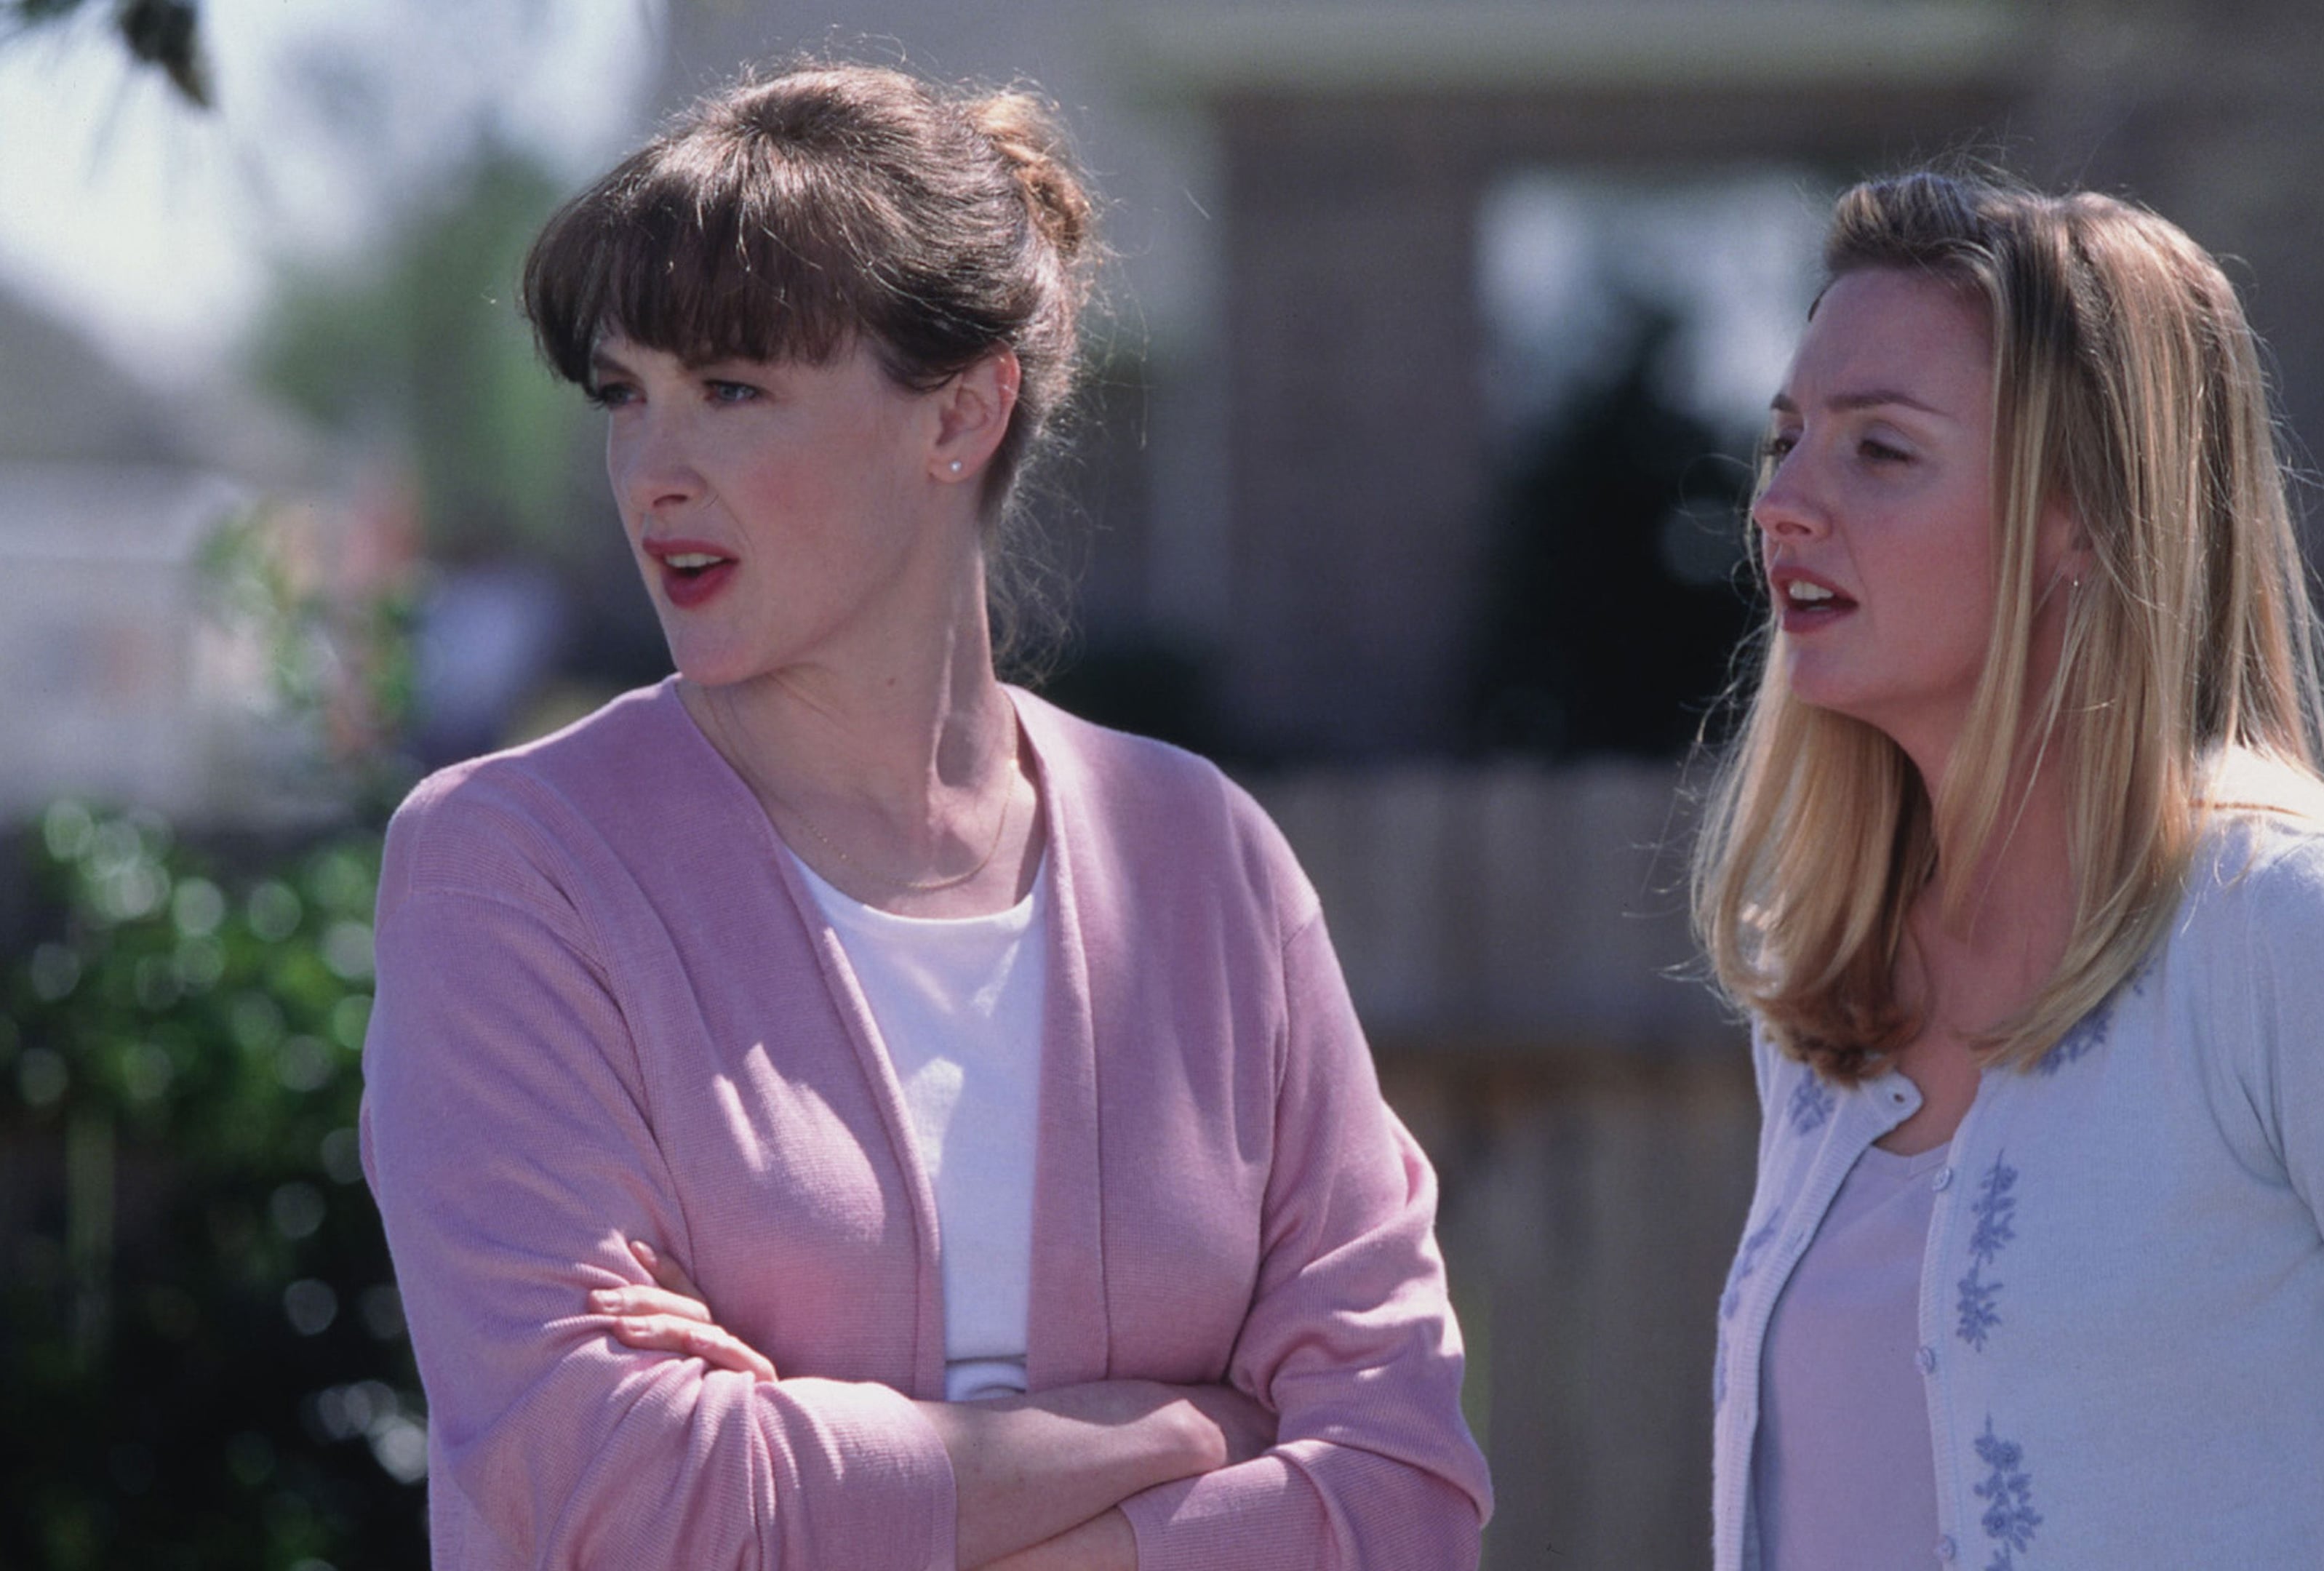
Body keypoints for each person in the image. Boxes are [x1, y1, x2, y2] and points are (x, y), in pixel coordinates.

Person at [359, 61, 1489, 1571]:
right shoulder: (513, 870)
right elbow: (623, 1492)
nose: (651, 471)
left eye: (732, 389)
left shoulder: (1208, 867)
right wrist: (1183, 1435)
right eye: (625, 394)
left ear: (962, 411)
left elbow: (1406, 1493)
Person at [1691, 171, 2324, 1569]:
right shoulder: (1823, 992)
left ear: (2086, 514)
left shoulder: (2294, 940)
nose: (1782, 504)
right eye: (1785, 439)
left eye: (1881, 450)